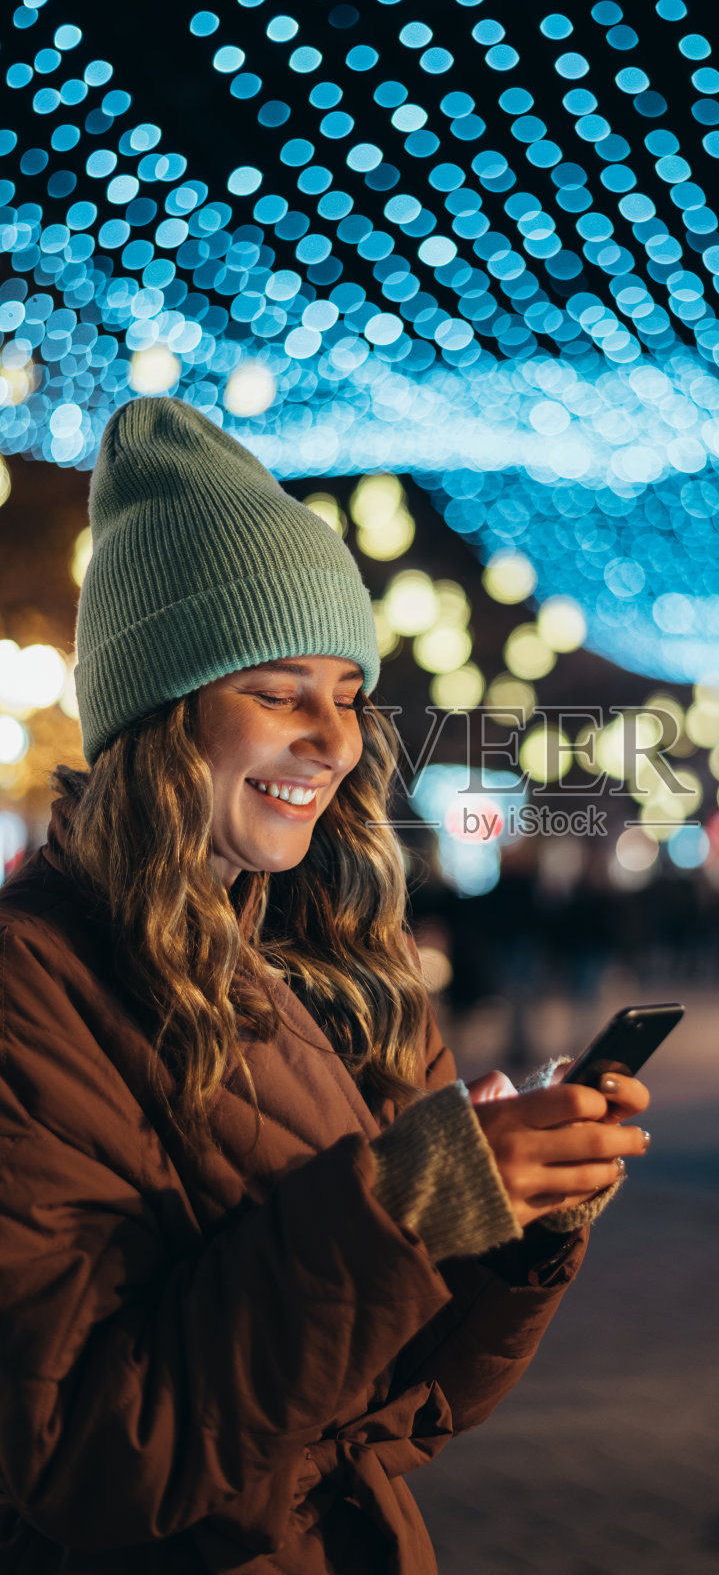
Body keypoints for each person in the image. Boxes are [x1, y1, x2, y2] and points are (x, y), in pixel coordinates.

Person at [0, 398, 650, 1573]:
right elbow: (86, 1452)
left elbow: (413, 1400)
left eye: (347, 693)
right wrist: (406, 1199)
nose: (335, 740)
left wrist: (509, 1211)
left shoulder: (345, 968)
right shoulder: (30, 984)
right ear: (160, 711)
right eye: (278, 690)